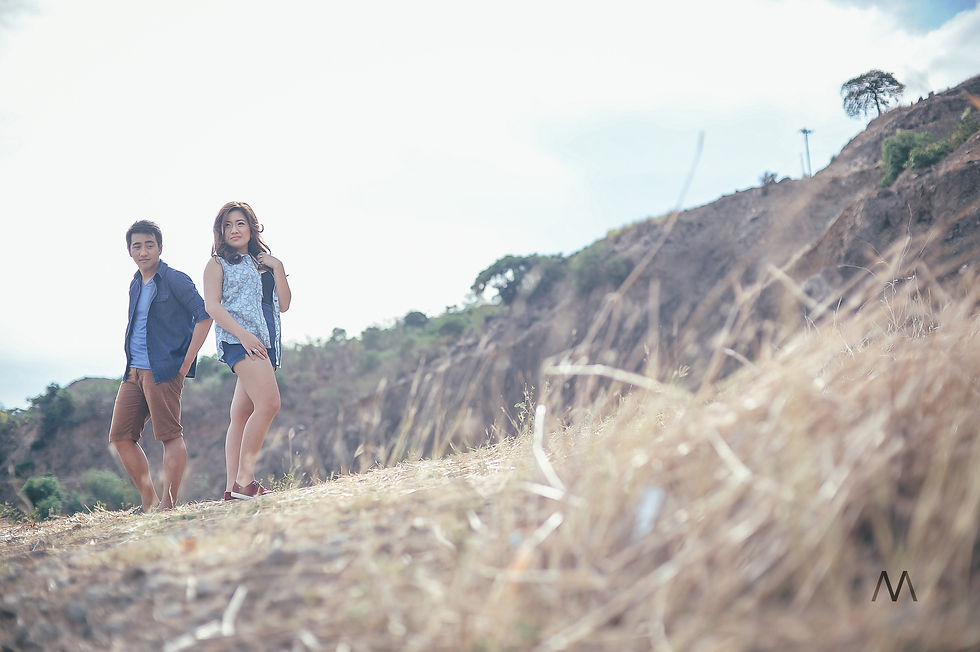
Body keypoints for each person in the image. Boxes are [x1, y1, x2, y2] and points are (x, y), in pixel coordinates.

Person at [109, 220, 213, 512]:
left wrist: (186, 362)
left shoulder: (175, 279)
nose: (143, 252)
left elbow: (205, 315)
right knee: (121, 437)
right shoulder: (135, 283)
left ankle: (168, 504)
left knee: (170, 436)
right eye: (137, 246)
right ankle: (149, 501)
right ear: (129, 250)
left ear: (160, 248)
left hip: (164, 370)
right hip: (133, 371)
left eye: (149, 245)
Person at [203, 201, 291, 500]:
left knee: (241, 414)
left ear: (251, 227)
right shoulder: (217, 263)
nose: (234, 229)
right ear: (220, 231)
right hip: (240, 341)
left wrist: (278, 267)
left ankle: (232, 489)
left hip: (266, 342)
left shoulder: (263, 263)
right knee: (269, 403)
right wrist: (244, 336)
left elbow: (284, 304)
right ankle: (245, 481)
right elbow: (212, 306)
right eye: (227, 225)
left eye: (240, 223)